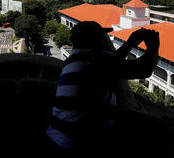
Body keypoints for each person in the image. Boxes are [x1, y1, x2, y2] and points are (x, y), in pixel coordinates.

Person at [46, 21, 159, 154]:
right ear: (95, 39)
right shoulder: (94, 59)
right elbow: (144, 69)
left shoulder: (77, 59)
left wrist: (131, 43)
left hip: (61, 136)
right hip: (76, 142)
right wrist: (153, 45)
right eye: (102, 35)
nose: (105, 39)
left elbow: (113, 61)